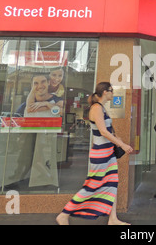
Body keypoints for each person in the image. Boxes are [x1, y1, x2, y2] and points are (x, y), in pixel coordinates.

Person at [56, 82, 133, 225]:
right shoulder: (96, 108)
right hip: (102, 154)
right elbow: (103, 131)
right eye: (111, 91)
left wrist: (116, 140)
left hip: (108, 152)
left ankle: (113, 219)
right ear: (104, 92)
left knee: (112, 183)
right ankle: (64, 214)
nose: (113, 93)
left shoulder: (101, 108)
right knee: (92, 185)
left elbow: (104, 132)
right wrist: (121, 144)